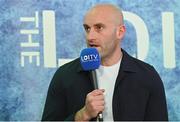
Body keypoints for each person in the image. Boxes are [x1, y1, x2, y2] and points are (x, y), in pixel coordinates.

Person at [42, 3, 168, 121]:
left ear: (120, 32)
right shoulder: (65, 75)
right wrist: (82, 116)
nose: (90, 37)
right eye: (87, 28)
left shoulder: (146, 76)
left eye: (99, 28)